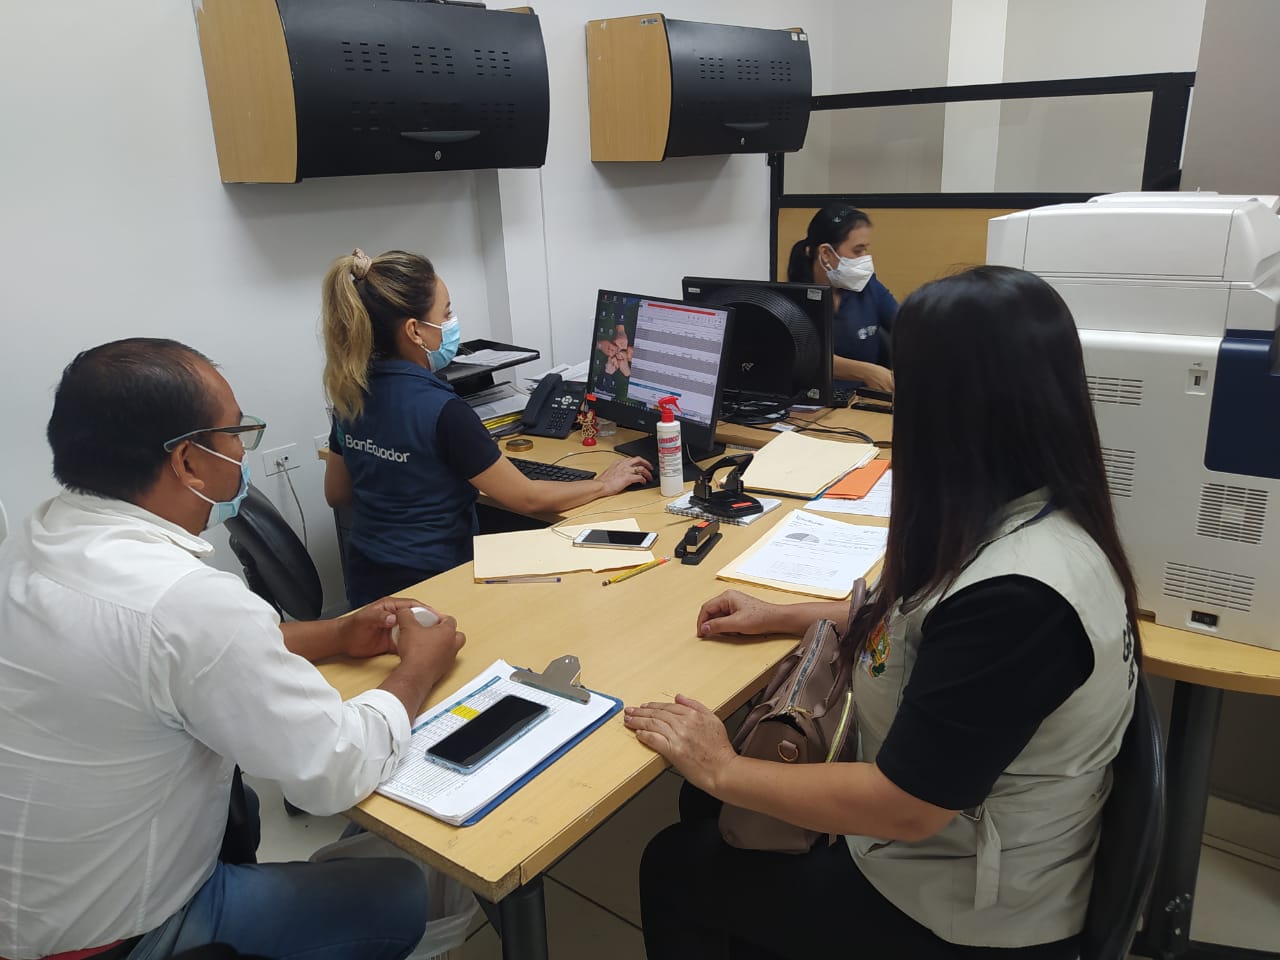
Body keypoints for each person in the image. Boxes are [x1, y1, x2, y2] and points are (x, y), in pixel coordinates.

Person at [626, 266, 1142, 959]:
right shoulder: (1029, 510)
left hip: (962, 909)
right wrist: (782, 614)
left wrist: (719, 765)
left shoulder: (1021, 601)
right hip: (957, 840)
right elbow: (924, 624)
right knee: (711, 810)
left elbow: (908, 806)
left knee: (675, 863)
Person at [0, 338, 466, 960]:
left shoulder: (35, 539)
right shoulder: (185, 602)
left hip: (32, 908)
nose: (243, 452)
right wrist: (418, 669)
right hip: (115, 939)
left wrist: (334, 633)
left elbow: (173, 656)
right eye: (237, 433)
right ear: (188, 462)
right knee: (404, 891)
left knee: (246, 808)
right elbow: (336, 771)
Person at [321, 249, 653, 607]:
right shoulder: (443, 411)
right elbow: (526, 498)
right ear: (415, 331)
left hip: (368, 587)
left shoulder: (349, 395)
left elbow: (336, 494)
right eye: (445, 313)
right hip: (435, 590)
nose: (451, 322)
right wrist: (603, 484)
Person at [786, 203, 897, 395]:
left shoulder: (868, 286)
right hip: (813, 402)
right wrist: (868, 372)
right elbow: (808, 356)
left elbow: (905, 325)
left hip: (863, 399)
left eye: (865, 249)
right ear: (826, 253)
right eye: (858, 250)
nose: (865, 258)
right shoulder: (795, 299)